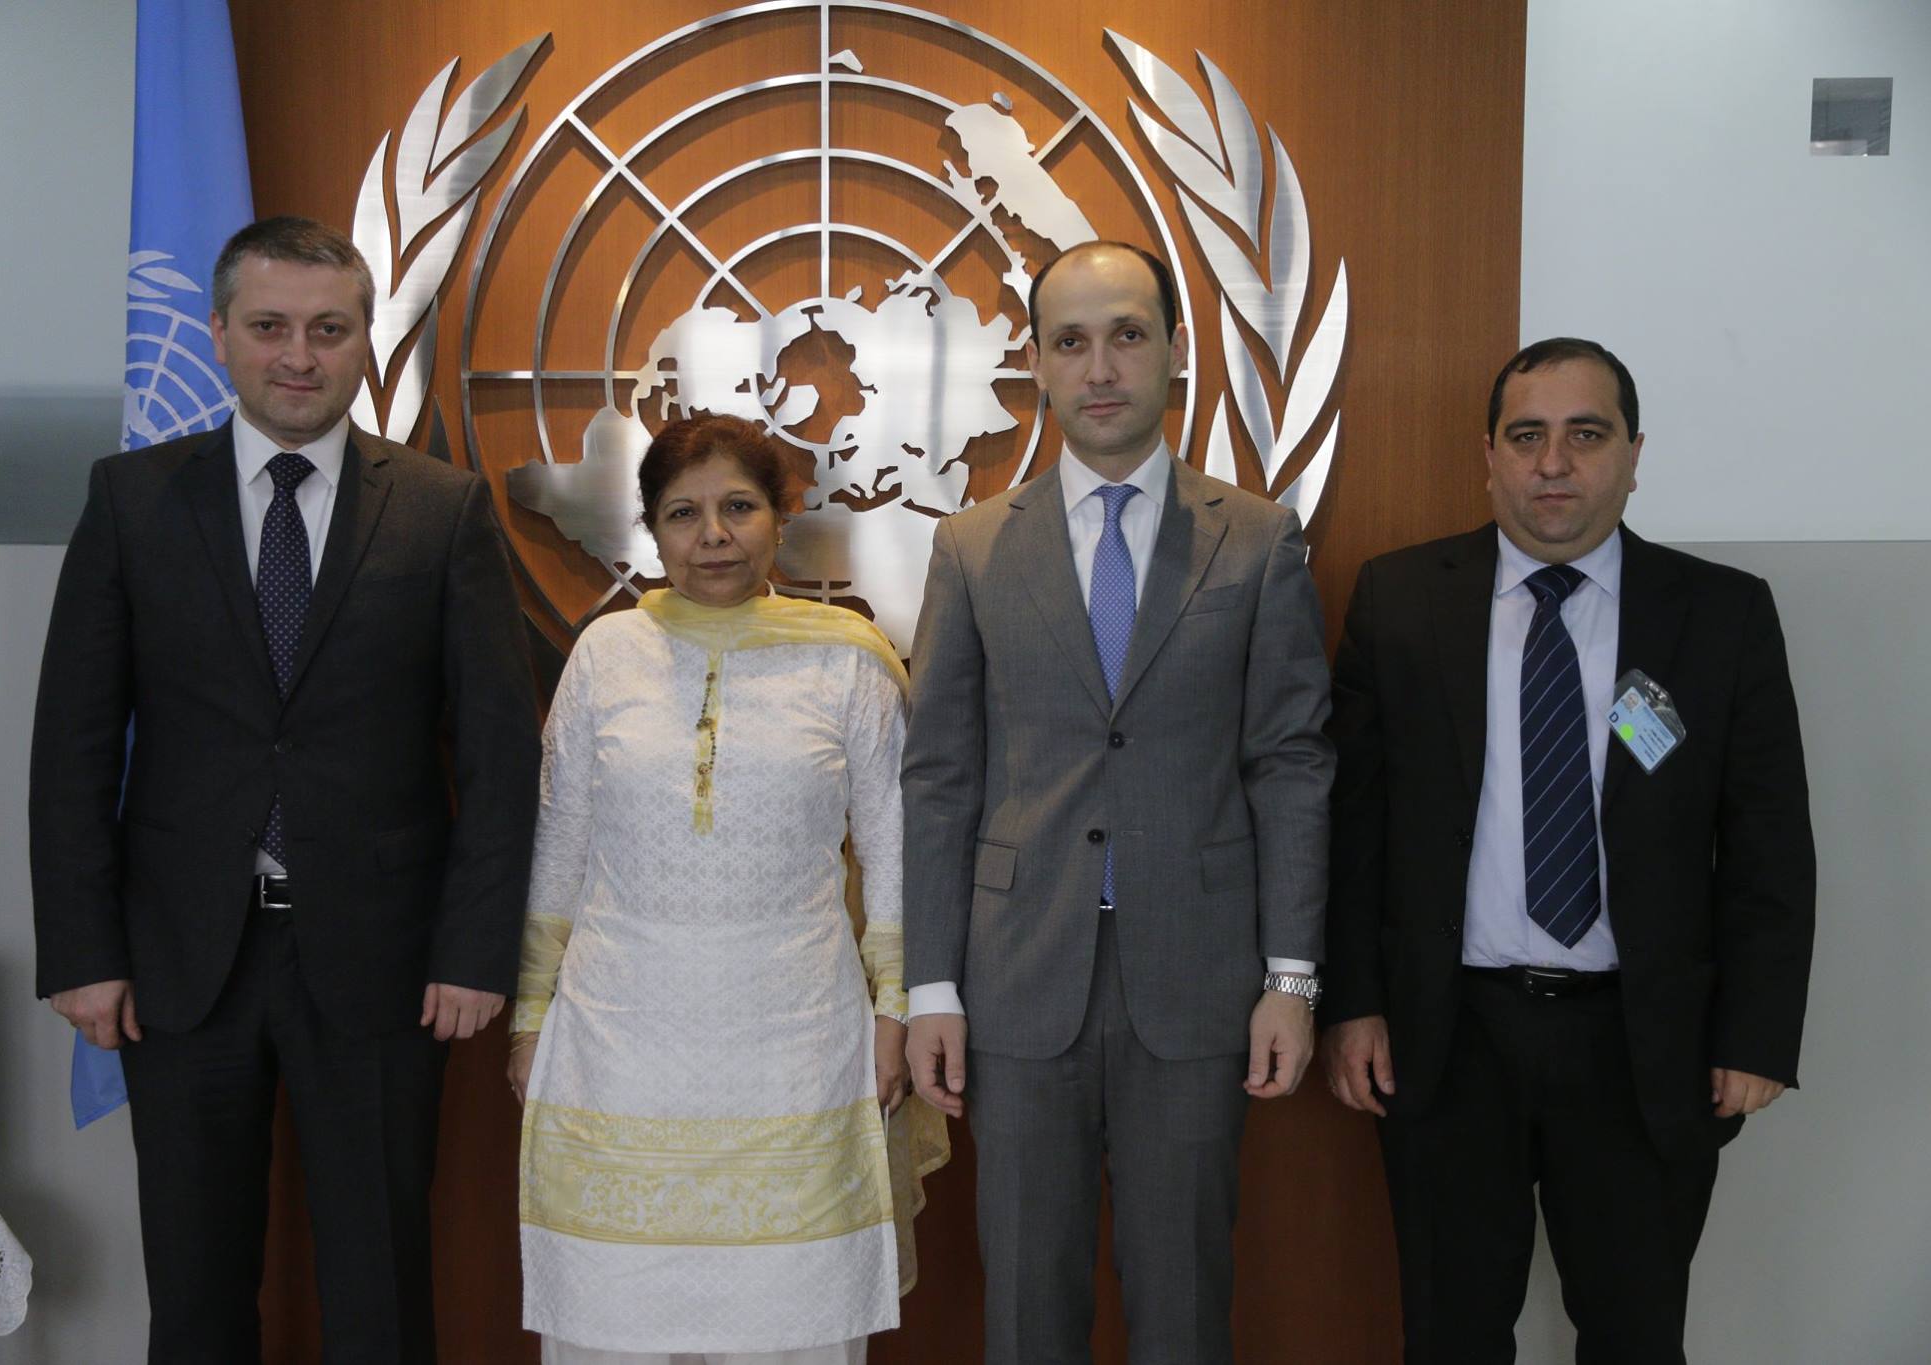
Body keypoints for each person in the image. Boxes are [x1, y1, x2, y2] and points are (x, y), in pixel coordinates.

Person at [29, 216, 542, 1363]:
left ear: (366, 342)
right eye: (269, 327)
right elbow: (71, 745)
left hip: (382, 958)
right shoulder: (131, 500)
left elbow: (501, 755)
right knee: (196, 1298)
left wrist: (474, 951)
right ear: (218, 334)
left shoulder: (442, 508)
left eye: (328, 329)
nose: (297, 356)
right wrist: (82, 949)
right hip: (179, 962)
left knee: (379, 1294)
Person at [1319, 337, 1815, 1362]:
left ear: (1633, 455)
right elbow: (1354, 825)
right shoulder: (1400, 600)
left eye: (1585, 435)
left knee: (1635, 1336)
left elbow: (1767, 841)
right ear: (1487, 457)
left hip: (1643, 1046)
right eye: (1526, 436)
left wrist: (1755, 1034)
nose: (1553, 463)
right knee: (1450, 1336)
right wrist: (1353, 1002)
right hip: (1448, 1041)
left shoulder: (1719, 614)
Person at [901, 241, 1334, 1361]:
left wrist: (1290, 977)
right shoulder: (971, 546)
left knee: (1184, 1309)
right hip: (1014, 984)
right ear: (1038, 366)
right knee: (1024, 1313)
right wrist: (932, 985)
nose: (1100, 368)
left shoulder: (1257, 538)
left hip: (1197, 980)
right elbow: (940, 776)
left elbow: (1289, 763)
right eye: (1071, 342)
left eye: (1127, 336)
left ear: (1175, 352)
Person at [508, 413, 948, 1365]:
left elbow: (896, 853)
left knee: (790, 1326)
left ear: (781, 518)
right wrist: (530, 1018)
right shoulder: (605, 655)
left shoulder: (849, 659)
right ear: (652, 528)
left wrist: (894, 1012)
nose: (713, 535)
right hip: (619, 1047)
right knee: (615, 1324)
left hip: (797, 1046)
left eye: (739, 507)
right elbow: (560, 845)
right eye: (684, 513)